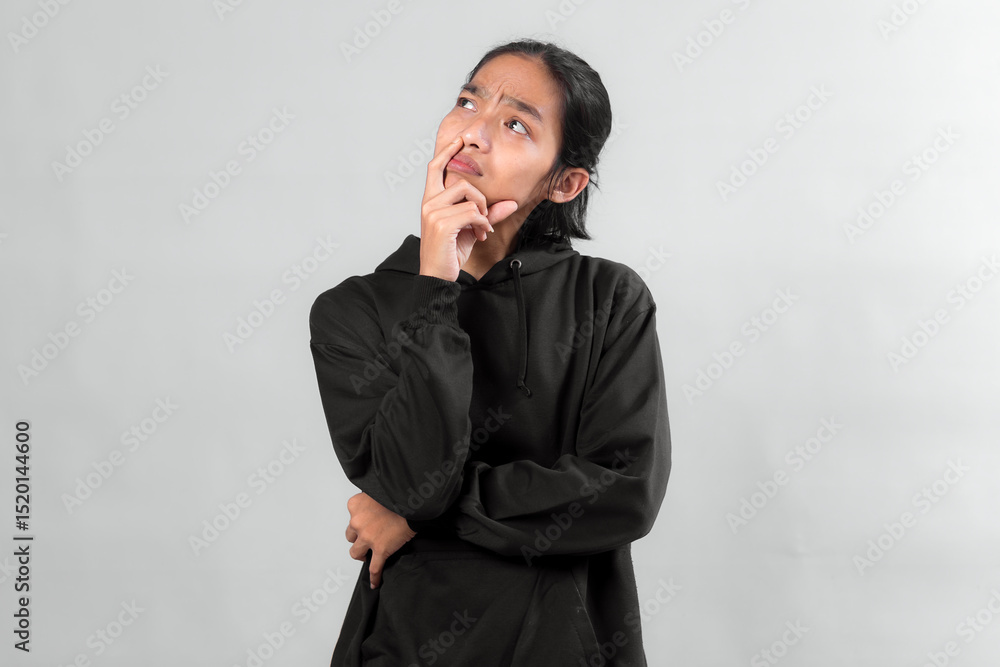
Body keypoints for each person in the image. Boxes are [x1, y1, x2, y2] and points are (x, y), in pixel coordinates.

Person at [309, 37, 671, 667]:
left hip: (566, 646)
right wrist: (435, 289)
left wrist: (417, 518)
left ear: (564, 183)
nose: (472, 133)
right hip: (407, 642)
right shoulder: (354, 310)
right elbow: (417, 484)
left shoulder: (609, 299)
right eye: (467, 102)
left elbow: (626, 493)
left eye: (515, 124)